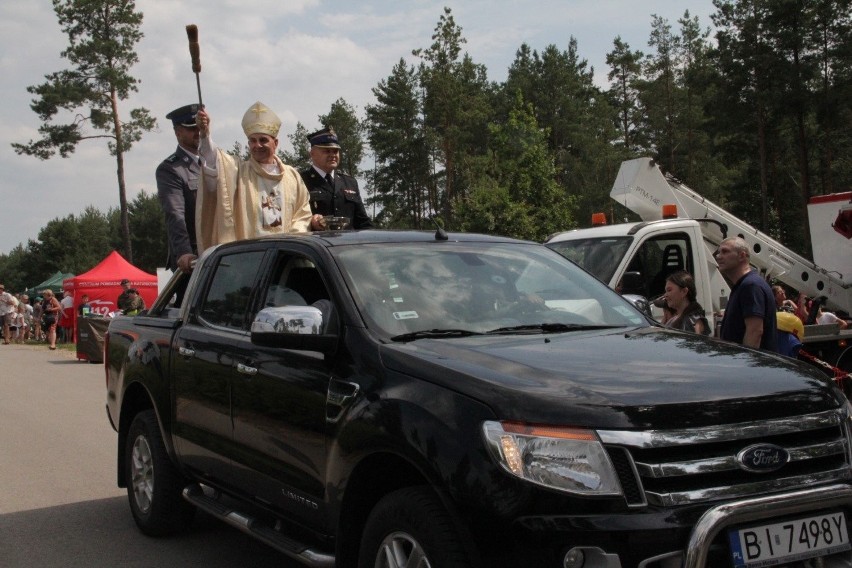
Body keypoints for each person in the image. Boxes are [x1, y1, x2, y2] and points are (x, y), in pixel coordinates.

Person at [195, 102, 312, 251]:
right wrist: (205, 135)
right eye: (252, 141)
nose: (257, 145)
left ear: (275, 143)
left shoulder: (292, 176)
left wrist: (291, 244)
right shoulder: (238, 171)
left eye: (263, 140)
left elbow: (302, 214)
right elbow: (213, 161)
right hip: (250, 256)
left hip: (285, 256)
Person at [156, 103, 201, 273]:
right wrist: (184, 252)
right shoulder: (170, 169)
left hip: (221, 250)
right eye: (191, 128)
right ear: (178, 132)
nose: (198, 132)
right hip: (194, 258)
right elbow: (175, 214)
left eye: (200, 127)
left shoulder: (215, 162)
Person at [300, 128, 373, 230]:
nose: (333, 155)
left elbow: (362, 222)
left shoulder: (349, 182)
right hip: (316, 243)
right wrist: (310, 222)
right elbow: (294, 219)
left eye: (335, 151)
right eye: (327, 151)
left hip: (346, 244)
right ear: (312, 153)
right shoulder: (300, 181)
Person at [715, 237, 777, 351]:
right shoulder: (743, 285)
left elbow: (755, 331)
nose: (718, 256)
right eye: (718, 252)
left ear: (742, 256)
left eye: (725, 251)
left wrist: (745, 365)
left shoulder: (751, 285)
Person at [660, 270, 710, 335]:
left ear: (684, 291)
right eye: (666, 291)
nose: (665, 295)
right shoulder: (674, 318)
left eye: (669, 290)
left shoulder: (695, 321)